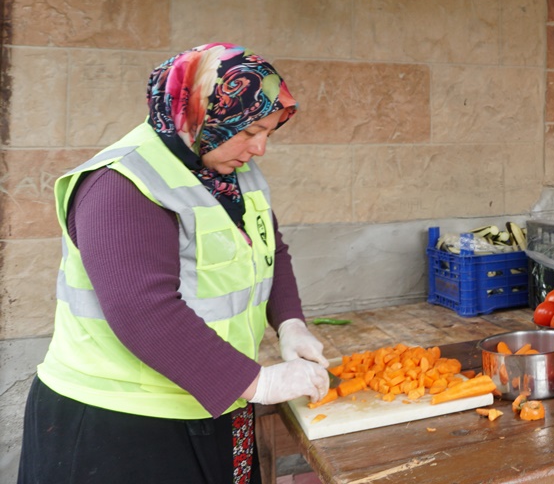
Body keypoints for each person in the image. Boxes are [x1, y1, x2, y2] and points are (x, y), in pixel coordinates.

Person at [19, 43, 330, 484]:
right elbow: (143, 312)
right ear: (203, 114)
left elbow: (268, 247)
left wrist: (291, 322)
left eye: (268, 132)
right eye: (248, 131)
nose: (259, 148)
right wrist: (259, 383)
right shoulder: (121, 184)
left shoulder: (228, 173)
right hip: (122, 426)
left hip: (209, 400)